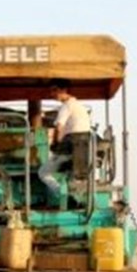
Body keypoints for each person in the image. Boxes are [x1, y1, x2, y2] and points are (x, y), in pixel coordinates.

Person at [38, 78, 91, 206]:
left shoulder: (66, 106)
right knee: (69, 173)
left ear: (64, 90)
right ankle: (75, 196)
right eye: (51, 91)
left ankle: (65, 196)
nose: (52, 94)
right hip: (83, 148)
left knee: (43, 173)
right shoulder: (79, 106)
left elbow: (59, 127)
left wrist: (55, 144)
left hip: (70, 146)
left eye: (54, 90)